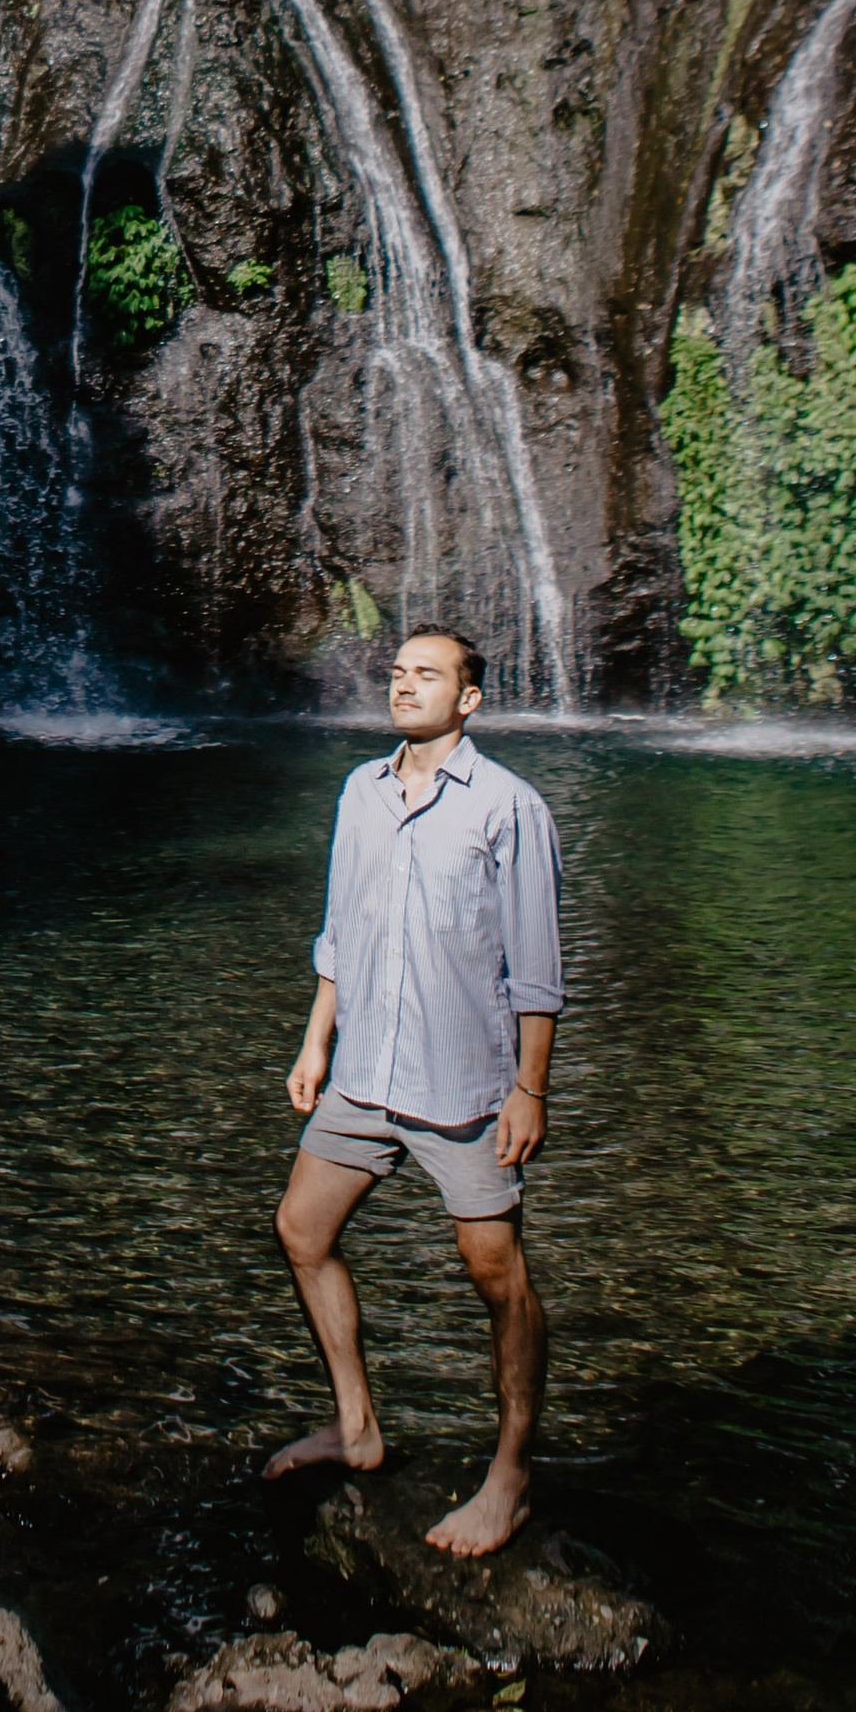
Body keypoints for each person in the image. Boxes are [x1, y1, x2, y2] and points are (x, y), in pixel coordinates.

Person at [264, 627, 564, 1557]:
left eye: (426, 675)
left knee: (495, 1275)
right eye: (396, 673)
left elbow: (541, 973)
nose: (404, 686)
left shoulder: (509, 808)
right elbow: (340, 933)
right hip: (361, 1074)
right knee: (301, 1231)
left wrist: (530, 1090)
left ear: (468, 698)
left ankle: (510, 1475)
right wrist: (316, 1045)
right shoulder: (360, 792)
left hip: (466, 1086)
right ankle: (356, 1426)